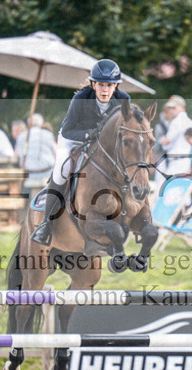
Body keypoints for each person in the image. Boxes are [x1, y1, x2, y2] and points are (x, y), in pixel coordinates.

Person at [31, 59, 130, 245]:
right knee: (62, 170)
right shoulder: (80, 98)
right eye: (101, 84)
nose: (105, 90)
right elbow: (68, 130)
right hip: (73, 140)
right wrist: (88, 134)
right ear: (93, 84)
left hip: (103, 145)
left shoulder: (124, 100)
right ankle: (46, 224)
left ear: (115, 85)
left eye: (109, 85)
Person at [14, 113, 57, 184]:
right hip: (47, 172)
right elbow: (55, 153)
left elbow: (16, 154)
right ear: (41, 123)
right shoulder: (48, 135)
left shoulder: (21, 136)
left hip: (29, 173)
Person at [158, 95, 192, 177]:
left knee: (170, 188)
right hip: (183, 161)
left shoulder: (177, 121)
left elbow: (166, 141)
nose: (171, 110)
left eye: (174, 108)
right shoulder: (189, 121)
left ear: (182, 107)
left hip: (177, 162)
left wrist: (162, 139)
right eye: (170, 108)